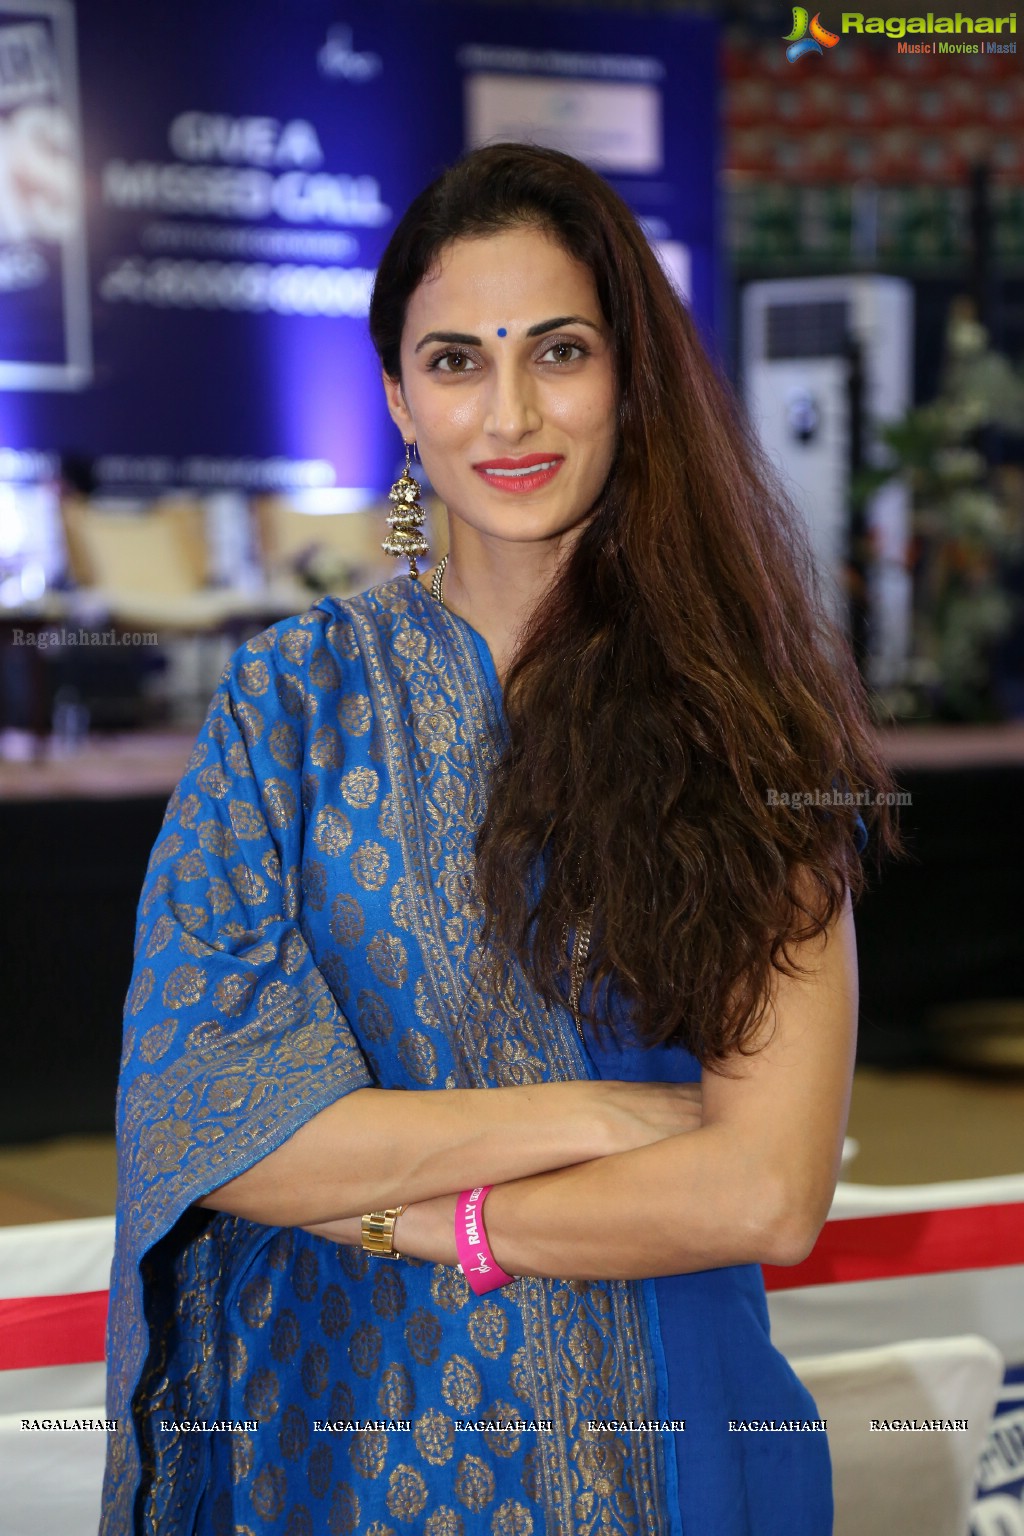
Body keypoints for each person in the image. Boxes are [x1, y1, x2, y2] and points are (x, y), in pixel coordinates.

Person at [101, 143, 897, 1535]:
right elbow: (204, 1122)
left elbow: (766, 1191)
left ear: (629, 375)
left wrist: (428, 1217)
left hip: (678, 1443)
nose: (511, 410)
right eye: (458, 361)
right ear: (402, 400)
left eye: (560, 351)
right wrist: (590, 1117)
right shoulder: (291, 703)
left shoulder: (750, 724)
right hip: (353, 1453)